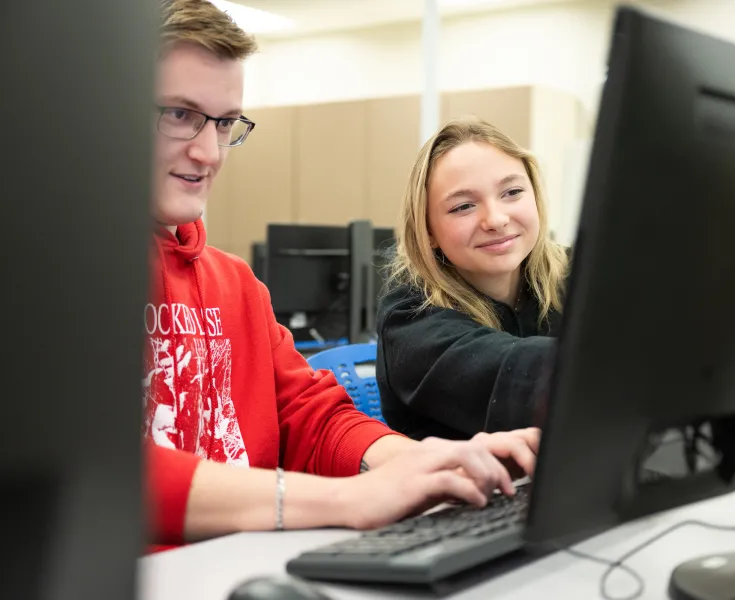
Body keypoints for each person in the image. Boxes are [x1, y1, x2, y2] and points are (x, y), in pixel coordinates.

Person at [145, 0, 540, 550]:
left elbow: (310, 417)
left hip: (242, 563)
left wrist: (422, 462)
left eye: (226, 123)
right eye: (181, 114)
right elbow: (92, 467)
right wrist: (348, 500)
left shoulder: (234, 284)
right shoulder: (45, 279)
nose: (208, 151)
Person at [376, 118, 571, 441]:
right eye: (464, 206)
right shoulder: (409, 320)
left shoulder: (572, 275)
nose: (495, 219)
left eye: (512, 192)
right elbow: (521, 378)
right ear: (428, 231)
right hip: (462, 490)